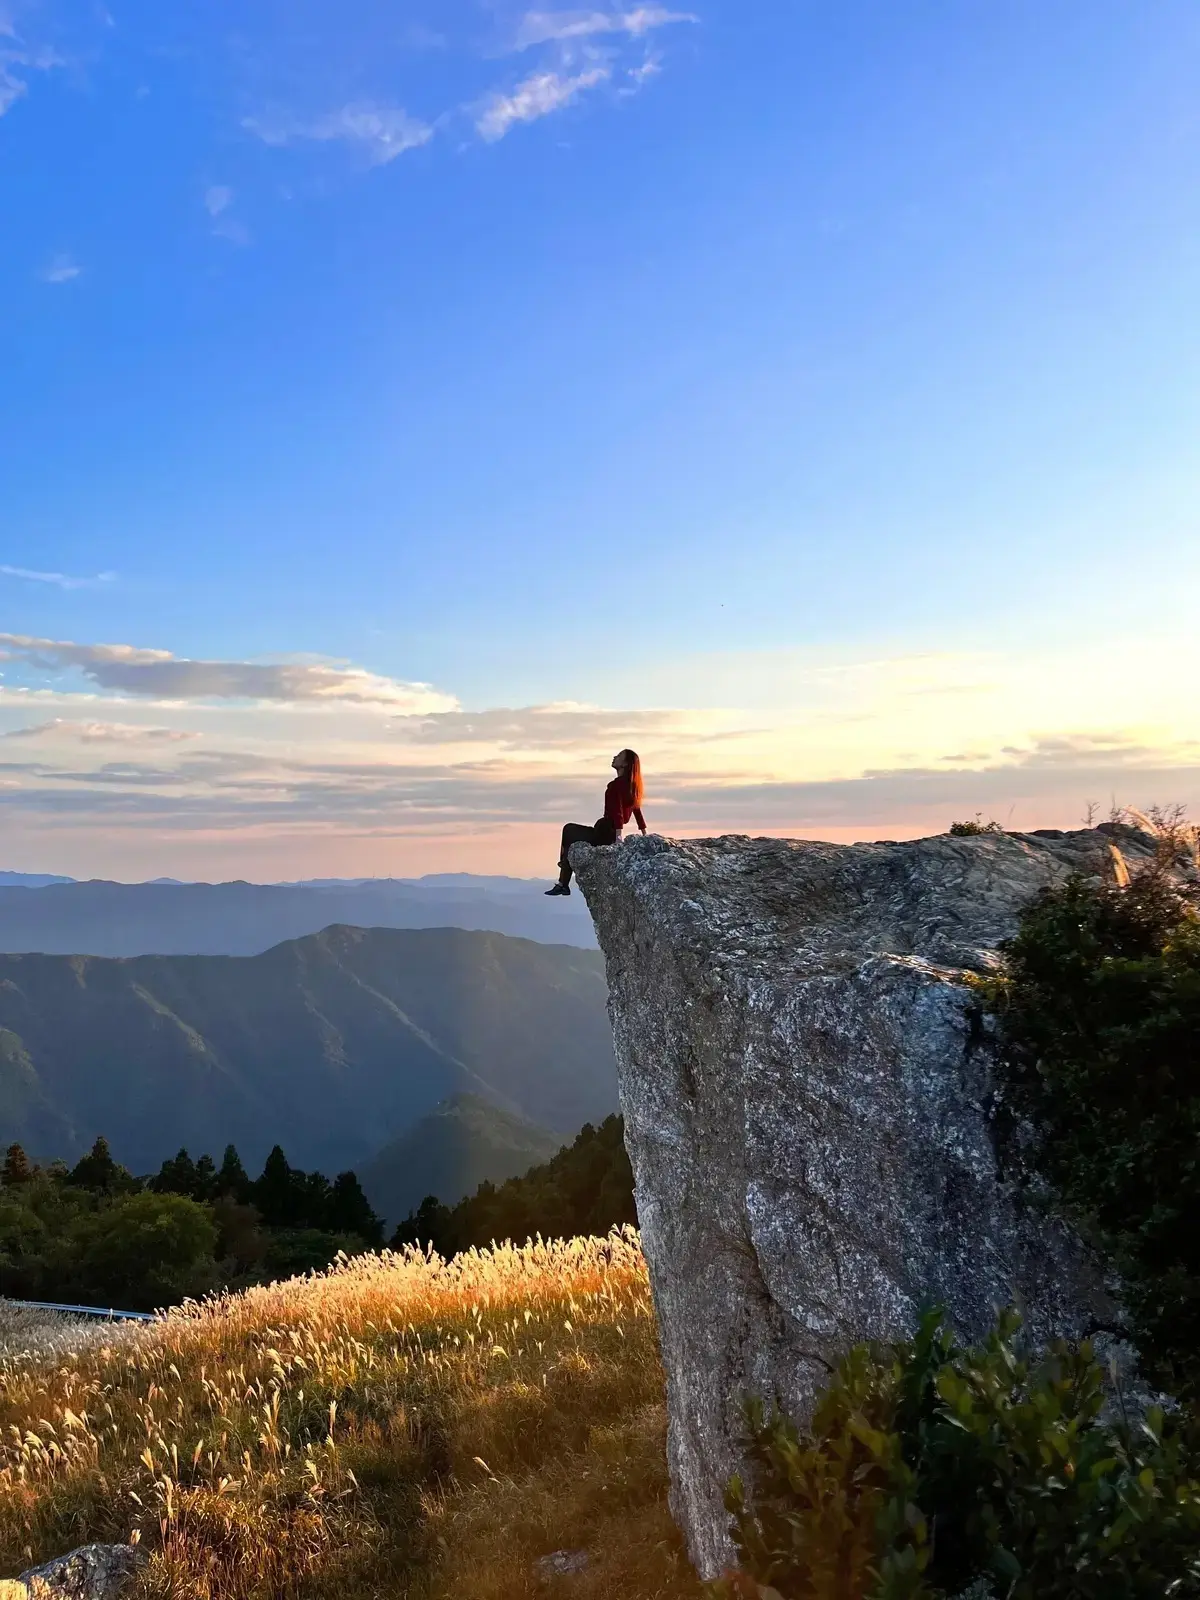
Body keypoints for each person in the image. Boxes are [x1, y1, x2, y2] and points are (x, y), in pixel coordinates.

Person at [546, 749, 647, 895]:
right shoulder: (632, 786)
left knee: (569, 830)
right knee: (571, 840)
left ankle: (563, 876)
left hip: (605, 831)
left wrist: (619, 835)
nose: (614, 757)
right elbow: (637, 810)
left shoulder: (615, 785)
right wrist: (644, 832)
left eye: (619, 756)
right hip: (608, 832)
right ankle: (563, 879)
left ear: (625, 764)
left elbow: (618, 811)